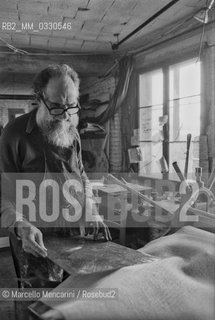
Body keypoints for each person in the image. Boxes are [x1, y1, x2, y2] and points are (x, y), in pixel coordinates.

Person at [0, 64, 111, 287]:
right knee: (42, 303)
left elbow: (81, 178)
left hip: (75, 234)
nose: (65, 116)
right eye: (57, 107)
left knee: (76, 297)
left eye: (71, 106)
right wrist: (21, 225)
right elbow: (4, 196)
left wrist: (91, 210)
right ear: (40, 98)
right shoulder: (14, 134)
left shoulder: (72, 133)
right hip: (35, 240)